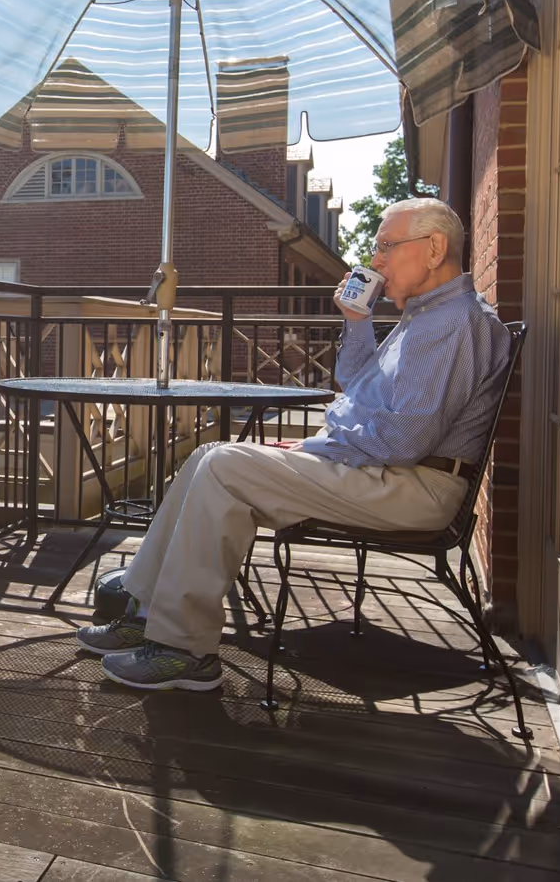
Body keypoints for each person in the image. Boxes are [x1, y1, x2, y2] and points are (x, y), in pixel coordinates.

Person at [77, 197, 514, 691]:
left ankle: (183, 648)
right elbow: (355, 385)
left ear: (434, 248)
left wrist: (319, 449)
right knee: (208, 456)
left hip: (414, 487)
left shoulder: (455, 323)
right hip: (383, 472)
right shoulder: (424, 319)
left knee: (225, 465)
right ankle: (145, 608)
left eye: (386, 247)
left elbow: (403, 440)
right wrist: (356, 322)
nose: (375, 262)